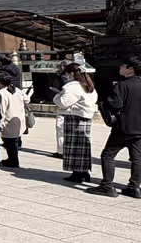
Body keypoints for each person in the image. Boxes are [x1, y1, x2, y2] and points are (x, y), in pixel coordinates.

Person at [88, 56, 141, 198]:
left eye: (123, 65)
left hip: (123, 127)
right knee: (137, 158)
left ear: (130, 69)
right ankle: (134, 187)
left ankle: (107, 186)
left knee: (108, 155)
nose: (120, 67)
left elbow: (114, 104)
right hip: (139, 128)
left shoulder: (122, 85)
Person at [53, 63, 98, 185]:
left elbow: (63, 102)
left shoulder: (73, 87)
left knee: (73, 147)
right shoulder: (88, 85)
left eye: (67, 74)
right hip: (85, 117)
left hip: (74, 118)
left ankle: (77, 173)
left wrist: (57, 96)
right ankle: (84, 172)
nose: (67, 76)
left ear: (72, 74)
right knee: (83, 146)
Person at [0, 71, 26, 168]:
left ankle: (13, 160)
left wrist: (0, 123)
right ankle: (12, 159)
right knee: (13, 141)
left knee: (9, 142)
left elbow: (2, 109)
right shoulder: (17, 90)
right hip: (18, 118)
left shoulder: (2, 93)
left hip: (8, 120)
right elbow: (27, 99)